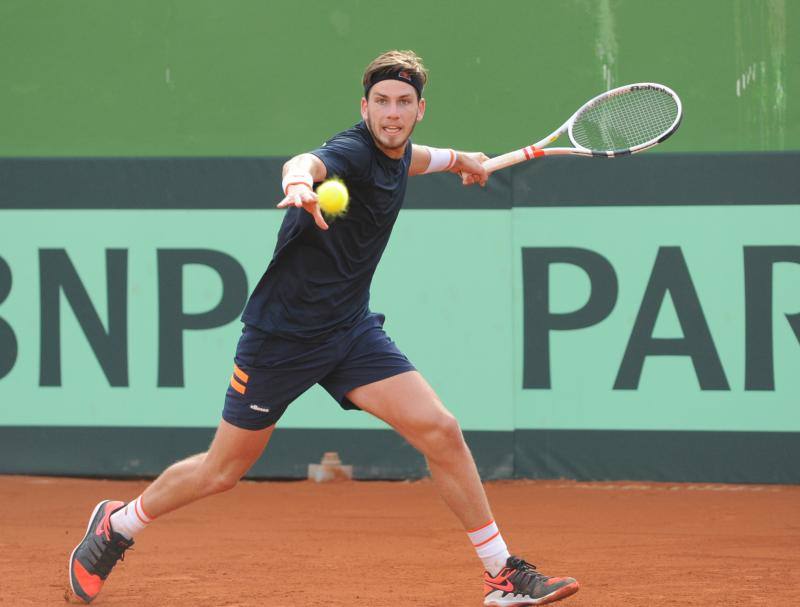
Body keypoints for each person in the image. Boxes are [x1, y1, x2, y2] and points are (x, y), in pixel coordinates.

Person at [68, 50, 580, 606]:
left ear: (419, 109)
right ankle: (118, 526)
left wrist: (461, 159)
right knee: (222, 471)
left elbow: (412, 159)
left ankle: (501, 575)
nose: (392, 113)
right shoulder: (351, 152)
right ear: (364, 107)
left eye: (403, 103)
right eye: (381, 102)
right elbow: (307, 161)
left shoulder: (397, 149)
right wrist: (299, 183)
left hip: (349, 332)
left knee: (441, 430)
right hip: (281, 338)